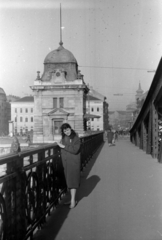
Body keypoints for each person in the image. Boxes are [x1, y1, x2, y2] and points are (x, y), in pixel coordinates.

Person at [57, 123, 81, 209]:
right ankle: (72, 199)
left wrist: (63, 146)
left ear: (70, 128)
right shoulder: (64, 137)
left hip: (73, 163)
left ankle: (73, 201)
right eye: (64, 131)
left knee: (73, 182)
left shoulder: (76, 137)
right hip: (66, 163)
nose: (66, 132)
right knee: (69, 182)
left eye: (67, 130)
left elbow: (75, 150)